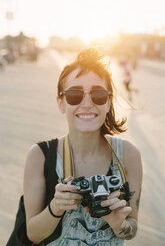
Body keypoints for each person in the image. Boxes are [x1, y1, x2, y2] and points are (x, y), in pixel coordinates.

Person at [24, 48, 142, 245]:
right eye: (74, 95)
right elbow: (33, 235)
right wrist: (56, 207)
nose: (87, 104)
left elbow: (132, 229)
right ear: (60, 103)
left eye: (98, 94)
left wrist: (117, 223)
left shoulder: (129, 155)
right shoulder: (40, 156)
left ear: (108, 102)